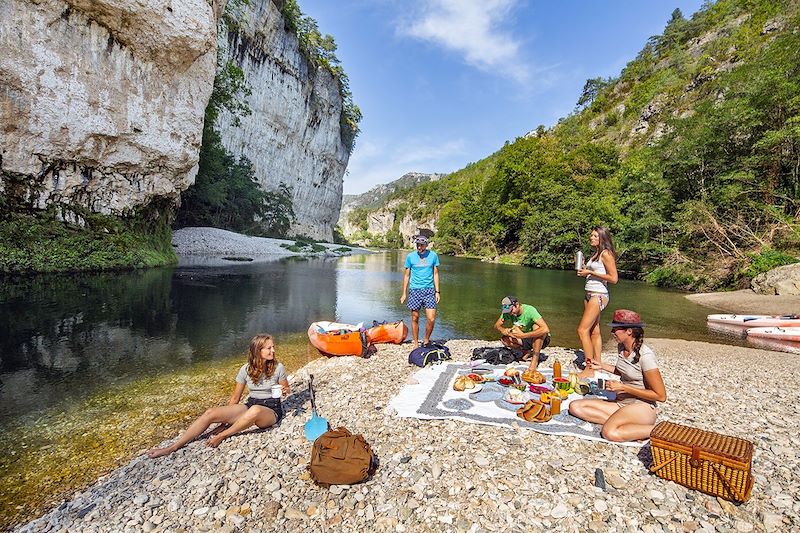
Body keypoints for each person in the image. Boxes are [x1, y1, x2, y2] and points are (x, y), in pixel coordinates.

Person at [147, 334, 289, 458]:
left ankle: (223, 435)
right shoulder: (245, 369)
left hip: (271, 410)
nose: (273, 351)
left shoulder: (278, 367)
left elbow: (286, 389)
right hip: (251, 404)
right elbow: (235, 398)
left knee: (255, 410)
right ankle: (172, 447)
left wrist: (284, 391)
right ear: (258, 350)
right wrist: (224, 422)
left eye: (273, 347)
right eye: (269, 348)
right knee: (211, 412)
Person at [568, 310, 666, 442]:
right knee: (575, 407)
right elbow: (624, 371)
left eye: (615, 329)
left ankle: (658, 429)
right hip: (621, 403)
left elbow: (660, 396)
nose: (612, 333)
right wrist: (601, 365)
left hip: (641, 407)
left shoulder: (646, 356)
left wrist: (625, 388)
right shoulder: (622, 347)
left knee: (609, 432)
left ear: (629, 331)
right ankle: (630, 427)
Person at [576, 226, 618, 369]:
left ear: (602, 238)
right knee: (594, 330)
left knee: (582, 330)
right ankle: (597, 363)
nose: (591, 238)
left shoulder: (606, 254)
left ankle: (588, 368)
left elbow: (614, 278)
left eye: (595, 236)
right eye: (591, 235)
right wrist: (585, 271)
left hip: (598, 295)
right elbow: (593, 272)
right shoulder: (595, 254)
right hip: (589, 293)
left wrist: (591, 273)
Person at [400, 235, 440, 348]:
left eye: (421, 245)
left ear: (426, 245)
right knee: (415, 317)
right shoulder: (410, 257)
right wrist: (404, 293)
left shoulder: (433, 256)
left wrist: (437, 291)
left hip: (429, 290)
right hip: (415, 290)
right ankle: (416, 343)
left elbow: (436, 274)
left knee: (431, 318)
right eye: (417, 245)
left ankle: (426, 340)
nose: (419, 247)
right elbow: (407, 276)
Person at [494, 296, 551, 371]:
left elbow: (545, 329)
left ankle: (534, 360)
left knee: (537, 327)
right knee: (505, 339)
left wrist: (523, 335)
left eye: (511, 310)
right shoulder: (507, 311)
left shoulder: (530, 310)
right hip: (524, 338)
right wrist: (503, 330)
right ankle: (526, 352)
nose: (510, 313)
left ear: (517, 305)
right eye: (508, 311)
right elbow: (496, 325)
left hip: (541, 340)